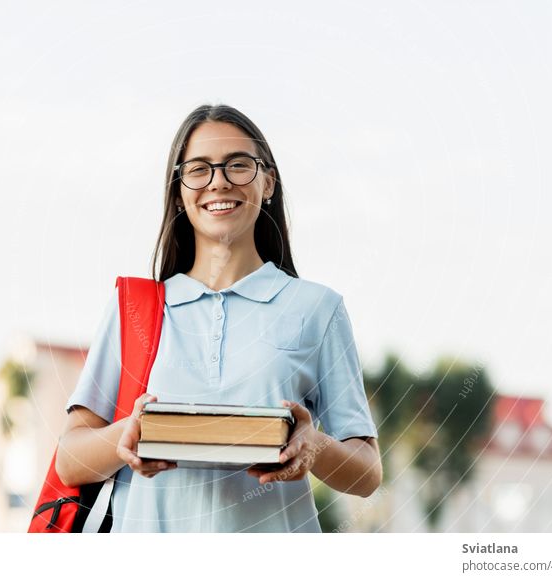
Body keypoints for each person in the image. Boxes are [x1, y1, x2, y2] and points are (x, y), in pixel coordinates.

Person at [56, 104, 382, 532]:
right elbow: (69, 460)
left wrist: (315, 446)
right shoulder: (134, 308)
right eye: (199, 169)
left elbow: (367, 473)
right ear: (178, 191)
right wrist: (128, 434)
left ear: (268, 182)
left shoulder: (318, 309)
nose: (219, 182)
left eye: (238, 165)